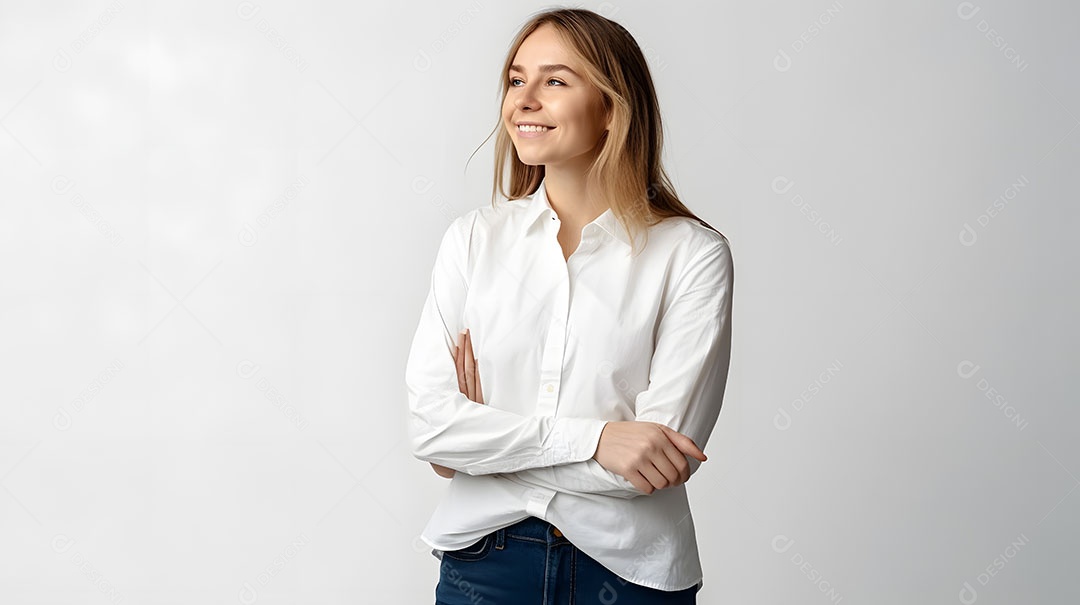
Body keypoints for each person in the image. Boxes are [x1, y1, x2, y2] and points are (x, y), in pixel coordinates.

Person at [405, 7, 734, 604]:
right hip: (485, 565)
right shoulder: (473, 240)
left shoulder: (692, 254)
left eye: (554, 80)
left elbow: (657, 463)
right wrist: (600, 439)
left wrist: (485, 446)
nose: (524, 100)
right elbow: (433, 431)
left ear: (612, 107)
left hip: (630, 574)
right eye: (516, 79)